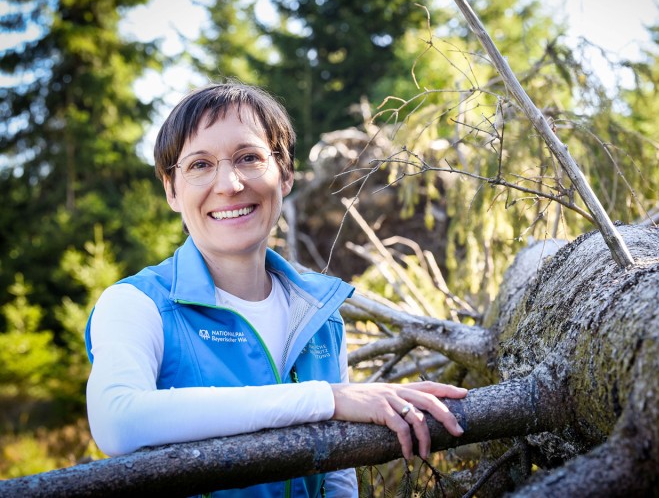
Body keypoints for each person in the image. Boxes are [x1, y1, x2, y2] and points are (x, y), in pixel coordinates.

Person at [84, 82, 468, 497]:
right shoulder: (136, 304)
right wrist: (326, 399)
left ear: (284, 173)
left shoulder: (320, 313)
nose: (229, 184)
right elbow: (117, 422)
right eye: (200, 165)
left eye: (248, 158)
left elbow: (338, 479)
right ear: (171, 189)